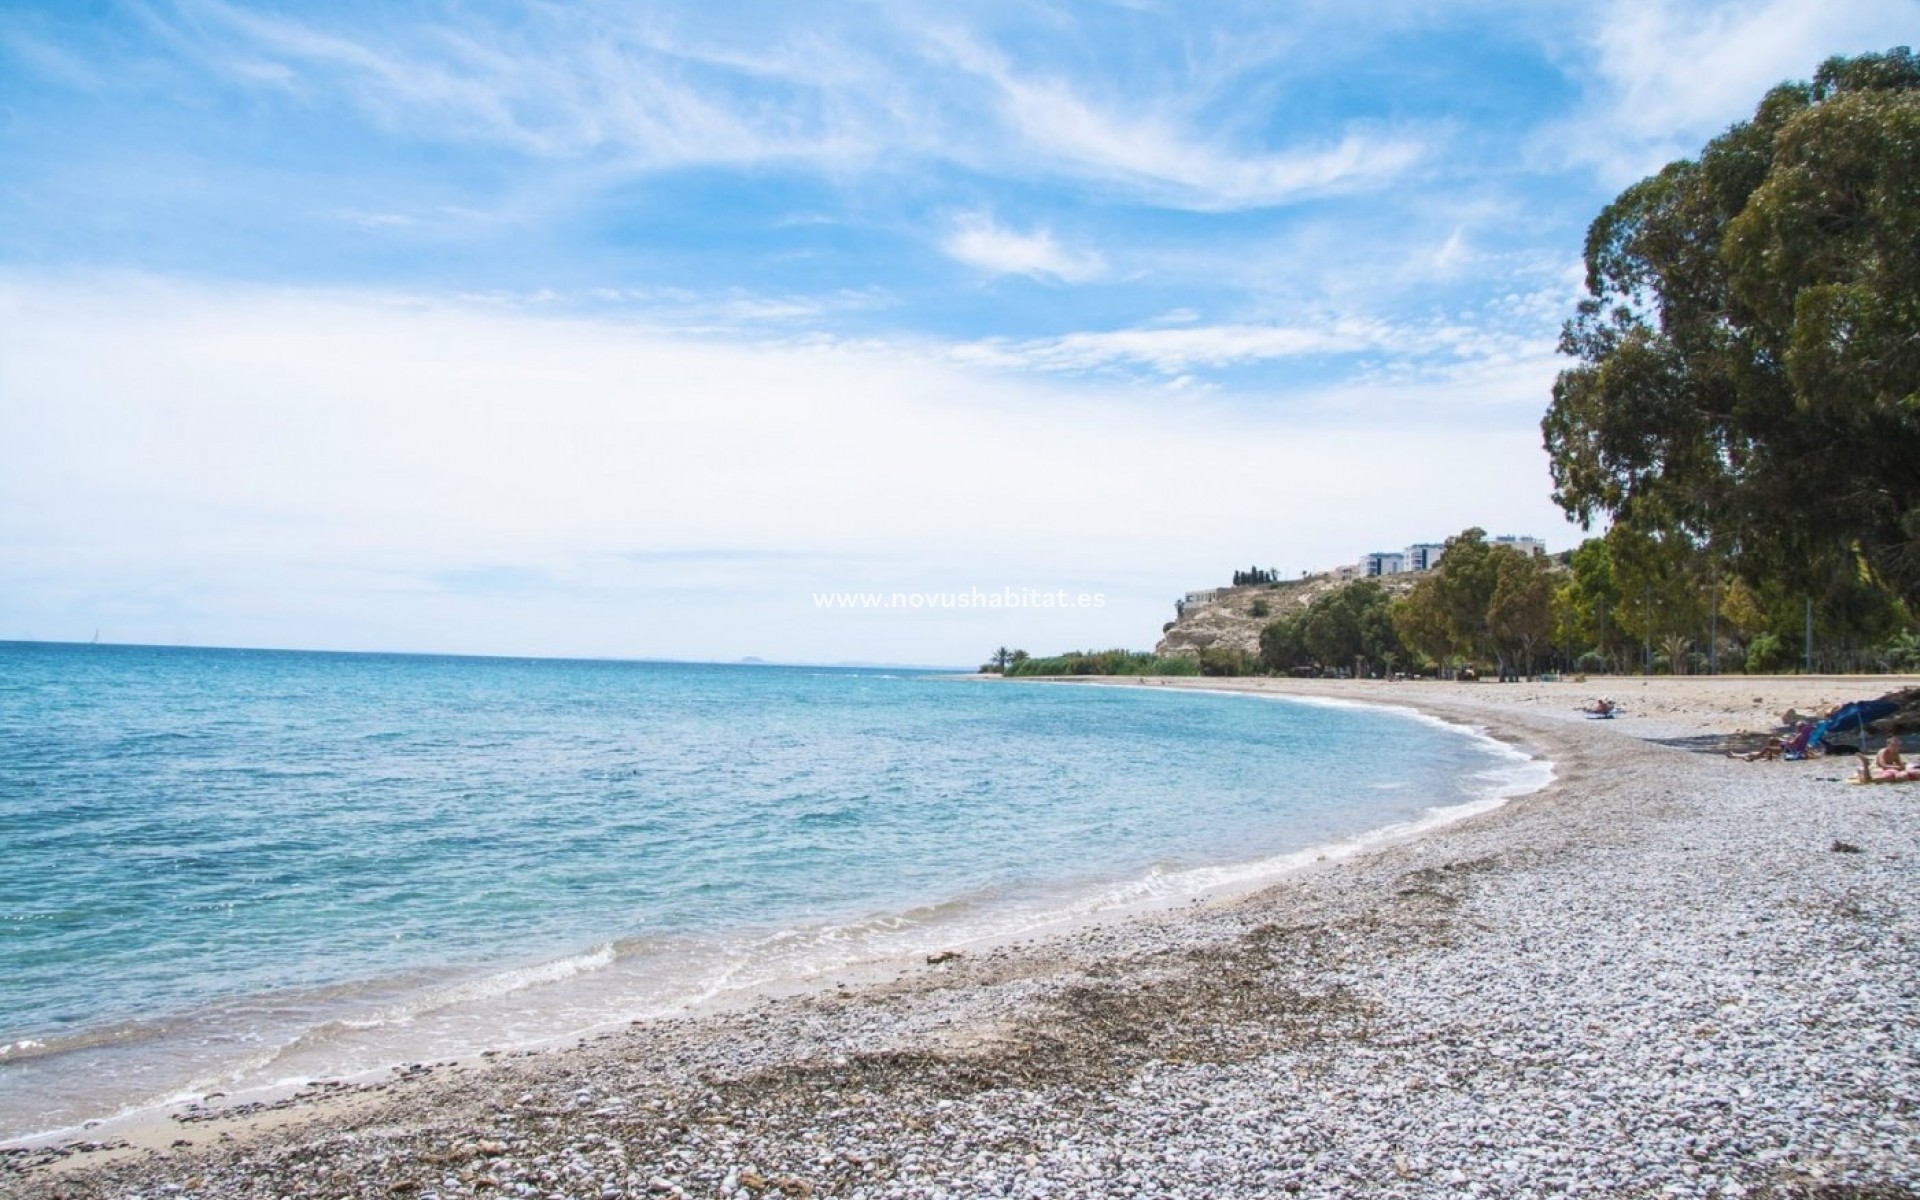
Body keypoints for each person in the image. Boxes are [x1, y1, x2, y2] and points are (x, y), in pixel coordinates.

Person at [1735, 721, 1813, 762]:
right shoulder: (1804, 735)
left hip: (1789, 749)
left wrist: (1785, 741)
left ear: (1799, 727)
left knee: (1767, 748)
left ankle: (1754, 758)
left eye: (1798, 727)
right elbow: (1799, 744)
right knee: (1773, 740)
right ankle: (1768, 758)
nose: (1797, 728)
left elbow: (1792, 743)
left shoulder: (1799, 735)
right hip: (1793, 748)